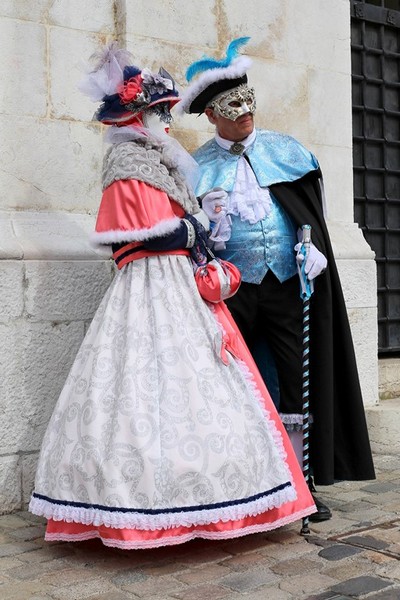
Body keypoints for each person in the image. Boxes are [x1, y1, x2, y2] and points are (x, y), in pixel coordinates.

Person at [29, 43, 315, 550]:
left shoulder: (162, 159)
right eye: (158, 111)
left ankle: (284, 482)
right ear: (138, 116)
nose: (166, 119)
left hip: (189, 285)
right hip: (148, 289)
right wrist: (190, 231)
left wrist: (200, 230)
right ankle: (149, 510)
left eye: (167, 110)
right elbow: (125, 238)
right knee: (144, 390)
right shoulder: (126, 162)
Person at [179, 37, 375, 522]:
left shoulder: (287, 152)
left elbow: (313, 215)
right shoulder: (195, 168)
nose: (244, 112)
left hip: (288, 285)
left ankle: (300, 484)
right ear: (211, 115)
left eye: (248, 102)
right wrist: (208, 229)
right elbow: (187, 241)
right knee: (234, 382)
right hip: (231, 291)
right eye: (232, 107)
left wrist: (316, 253)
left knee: (296, 380)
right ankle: (242, 483)